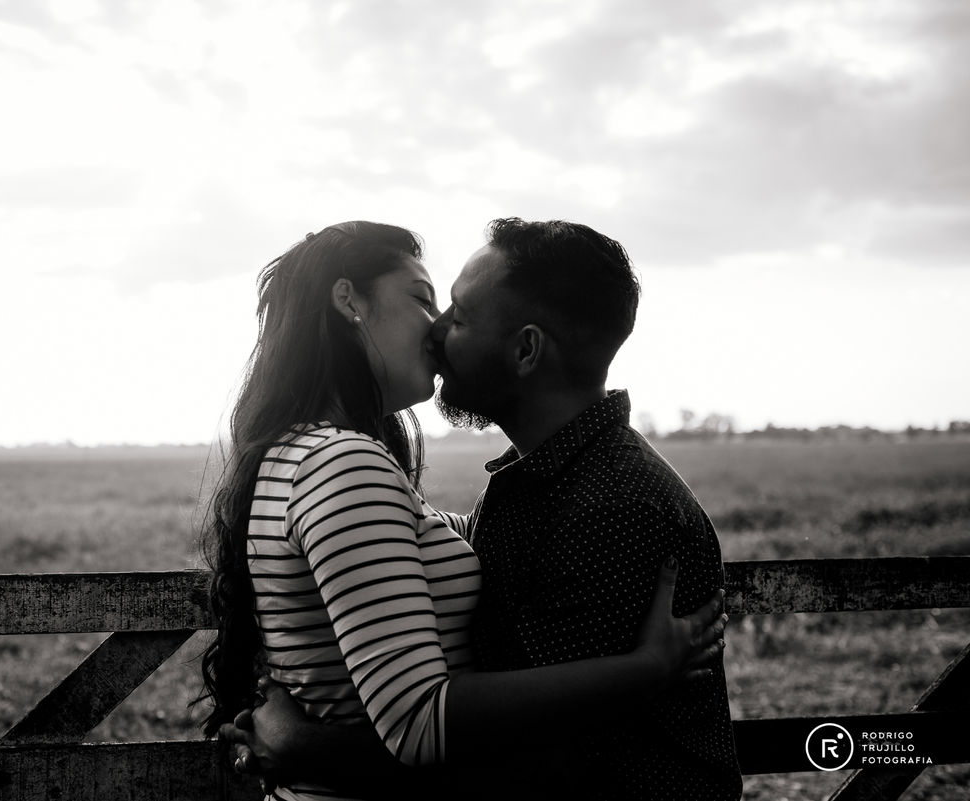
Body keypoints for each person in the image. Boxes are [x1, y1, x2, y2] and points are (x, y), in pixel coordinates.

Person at [202, 221, 728, 801]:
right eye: (428, 301)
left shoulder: (613, 509)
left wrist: (307, 749)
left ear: (526, 349)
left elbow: (550, 773)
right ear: (348, 303)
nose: (438, 329)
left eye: (456, 311)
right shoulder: (501, 483)